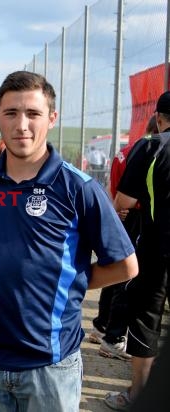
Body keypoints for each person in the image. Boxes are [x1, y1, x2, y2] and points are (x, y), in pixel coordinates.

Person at [0, 70, 138, 411]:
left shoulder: (79, 188)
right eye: (11, 113)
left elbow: (126, 265)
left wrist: (76, 279)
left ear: (52, 118)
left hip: (51, 362)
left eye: (33, 113)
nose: (21, 125)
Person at [105, 91, 170, 410]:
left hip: (157, 247)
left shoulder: (152, 145)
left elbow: (123, 203)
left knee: (146, 317)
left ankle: (138, 394)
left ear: (159, 118)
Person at [89, 115, 158, 360]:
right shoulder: (149, 150)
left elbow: (112, 187)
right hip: (136, 217)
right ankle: (113, 335)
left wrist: (116, 207)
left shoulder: (125, 152)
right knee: (127, 277)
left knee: (115, 270)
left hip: (120, 213)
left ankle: (101, 326)